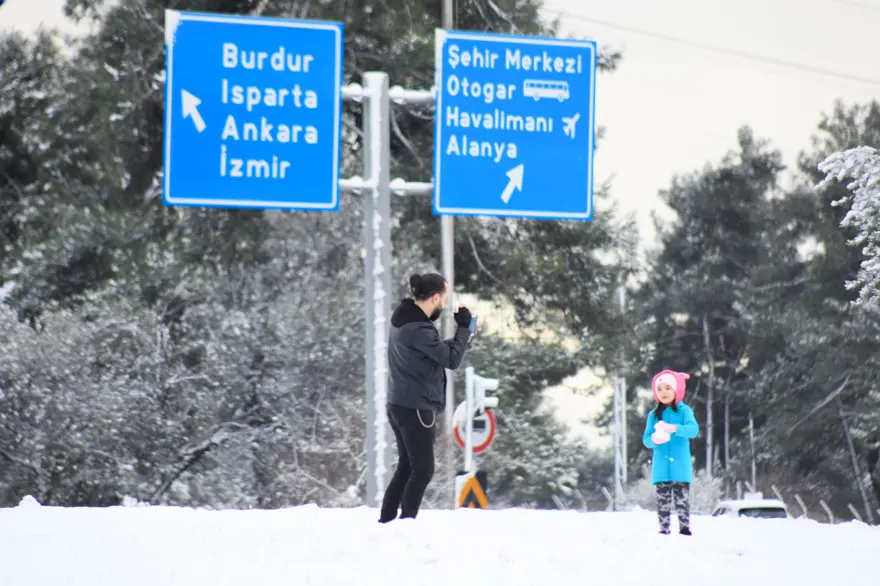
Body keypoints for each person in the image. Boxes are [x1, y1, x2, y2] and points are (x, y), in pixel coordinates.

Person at [378, 273, 473, 523]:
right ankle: (405, 523)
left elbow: (436, 352)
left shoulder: (404, 318)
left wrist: (463, 340)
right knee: (423, 471)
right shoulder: (419, 328)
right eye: (444, 297)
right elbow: (451, 360)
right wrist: (463, 328)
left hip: (398, 404)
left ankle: (386, 520)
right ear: (434, 297)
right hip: (415, 409)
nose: (445, 303)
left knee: (407, 467)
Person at [642, 369, 699, 535]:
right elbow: (646, 440)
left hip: (680, 466)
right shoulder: (654, 415)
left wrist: (673, 428)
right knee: (662, 501)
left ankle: (684, 528)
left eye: (668, 388)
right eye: (659, 389)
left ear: (676, 390)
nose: (664, 392)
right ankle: (664, 529)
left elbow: (693, 430)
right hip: (661, 467)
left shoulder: (684, 411)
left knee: (682, 500)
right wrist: (654, 439)